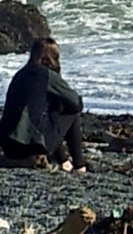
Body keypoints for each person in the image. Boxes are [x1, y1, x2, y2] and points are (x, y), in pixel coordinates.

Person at [0, 37, 86, 173]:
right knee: (71, 113)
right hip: (29, 147)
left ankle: (64, 161)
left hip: (8, 145)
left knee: (49, 113)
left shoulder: (20, 74)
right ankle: (79, 165)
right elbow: (76, 102)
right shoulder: (47, 75)